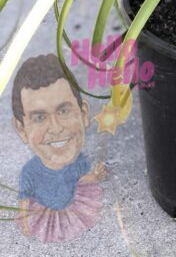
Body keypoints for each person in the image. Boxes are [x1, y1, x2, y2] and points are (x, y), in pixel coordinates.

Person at [11, 53, 106, 242]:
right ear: (21, 129)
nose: (55, 128)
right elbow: (24, 198)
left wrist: (94, 176)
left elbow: (80, 181)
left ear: (84, 113)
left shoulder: (79, 161)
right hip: (45, 216)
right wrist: (23, 218)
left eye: (63, 111)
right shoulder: (29, 171)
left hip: (72, 209)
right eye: (39, 117)